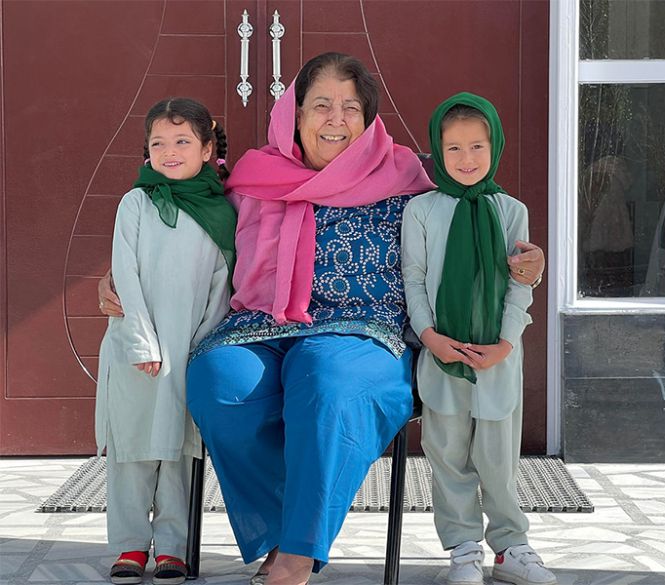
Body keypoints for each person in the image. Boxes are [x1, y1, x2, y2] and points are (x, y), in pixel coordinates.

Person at [97, 53, 546, 585]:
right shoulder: (250, 180)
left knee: (324, 378)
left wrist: (525, 267)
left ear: (368, 118)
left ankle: (297, 552)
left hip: (363, 328)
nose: (336, 119)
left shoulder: (406, 177)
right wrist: (117, 278)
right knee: (220, 383)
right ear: (294, 113)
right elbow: (183, 229)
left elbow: (464, 229)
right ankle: (281, 530)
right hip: (257, 325)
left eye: (350, 107)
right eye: (321, 106)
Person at [401, 93, 556, 585]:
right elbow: (415, 278)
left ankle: (511, 547)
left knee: (499, 459)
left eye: (477, 147)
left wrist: (506, 344)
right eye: (453, 149)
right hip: (443, 355)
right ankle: (463, 547)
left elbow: (519, 282)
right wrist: (430, 337)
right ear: (436, 152)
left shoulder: (510, 211)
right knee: (447, 456)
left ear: (496, 147)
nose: (466, 160)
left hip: (498, 360)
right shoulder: (422, 210)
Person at [95, 98, 236, 585]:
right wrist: (141, 342)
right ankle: (131, 545)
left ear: (206, 149)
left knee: (178, 449)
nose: (169, 151)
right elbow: (125, 275)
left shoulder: (220, 213)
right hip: (136, 348)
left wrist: (197, 348)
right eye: (158, 142)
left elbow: (221, 289)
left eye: (182, 141)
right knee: (133, 448)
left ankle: (173, 547)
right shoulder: (136, 202)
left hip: (187, 350)